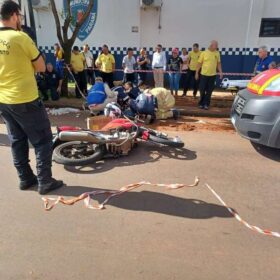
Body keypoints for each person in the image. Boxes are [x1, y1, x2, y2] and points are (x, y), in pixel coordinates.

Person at [0, 0, 63, 194]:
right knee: (43, 140)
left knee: (17, 140)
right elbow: (42, 67)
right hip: (25, 98)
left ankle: (25, 178)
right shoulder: (21, 38)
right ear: (13, 15)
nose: (20, 19)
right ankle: (45, 181)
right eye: (19, 16)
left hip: (4, 100)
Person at [196, 40, 223, 110]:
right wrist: (196, 73)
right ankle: (201, 103)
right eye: (216, 45)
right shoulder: (204, 53)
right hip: (203, 75)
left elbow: (218, 63)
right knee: (202, 89)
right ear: (211, 45)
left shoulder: (217, 53)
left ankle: (206, 104)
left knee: (209, 90)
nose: (217, 47)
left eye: (217, 45)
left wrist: (220, 72)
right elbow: (199, 64)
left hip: (212, 75)